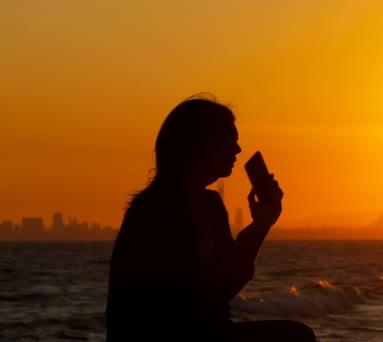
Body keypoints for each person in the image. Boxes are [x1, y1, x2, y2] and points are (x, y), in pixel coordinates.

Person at [105, 95, 316, 341]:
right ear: (202, 145)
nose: (238, 149)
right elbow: (210, 293)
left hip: (202, 332)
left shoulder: (204, 204)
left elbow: (225, 280)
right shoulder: (161, 209)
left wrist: (260, 225)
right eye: (230, 141)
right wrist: (260, 227)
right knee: (296, 337)